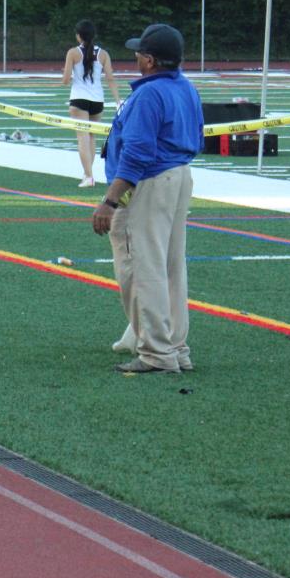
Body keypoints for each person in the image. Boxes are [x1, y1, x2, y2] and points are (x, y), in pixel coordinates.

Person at [90, 23, 204, 375]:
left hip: (149, 183)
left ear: (150, 60)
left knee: (142, 269)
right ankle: (175, 348)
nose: (136, 57)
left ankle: (156, 351)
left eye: (139, 53)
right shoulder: (185, 87)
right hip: (178, 176)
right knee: (171, 268)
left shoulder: (149, 94)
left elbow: (137, 153)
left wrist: (110, 201)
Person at [62, 19, 120, 188]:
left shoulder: (73, 52)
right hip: (97, 100)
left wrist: (67, 74)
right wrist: (117, 100)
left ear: (78, 36)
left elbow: (65, 80)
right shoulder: (103, 54)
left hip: (79, 99)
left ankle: (88, 175)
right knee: (92, 136)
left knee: (82, 137)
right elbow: (110, 79)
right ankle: (88, 173)